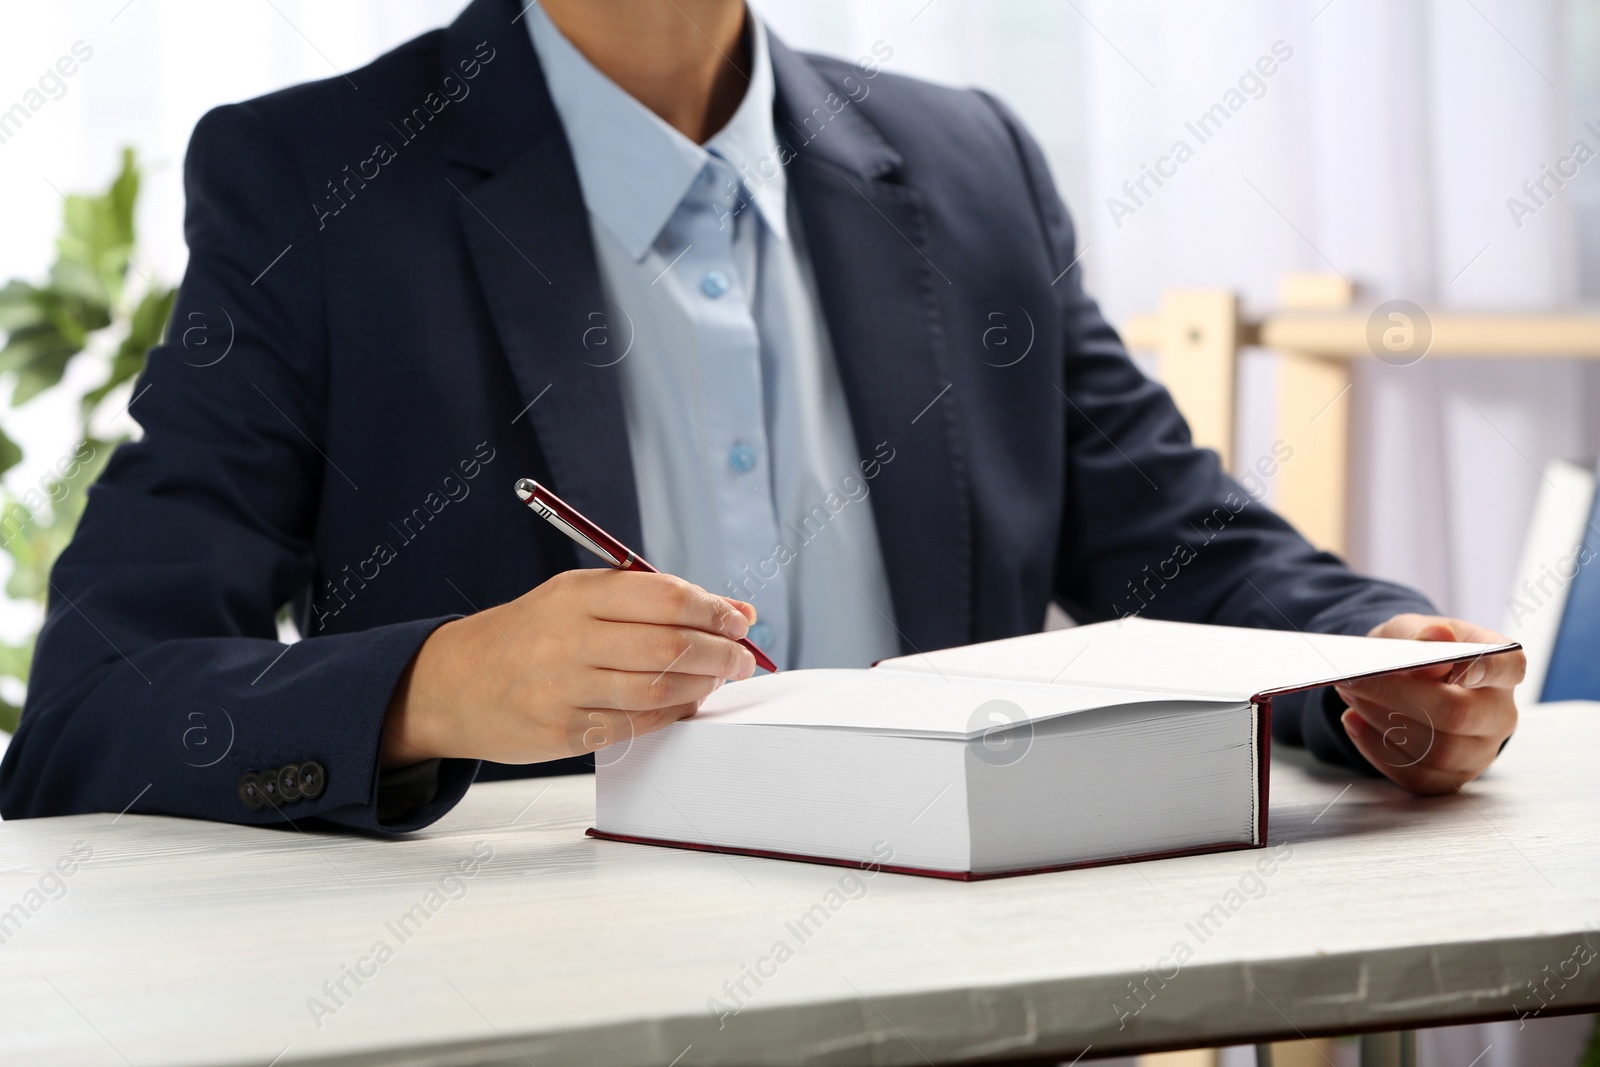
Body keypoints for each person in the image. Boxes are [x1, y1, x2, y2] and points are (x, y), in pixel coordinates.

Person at [0, 0, 1521, 831]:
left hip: (976, 996)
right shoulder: (315, 185)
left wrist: (1377, 666)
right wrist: (433, 690)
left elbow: (1178, 545)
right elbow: (90, 710)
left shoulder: (971, 161)